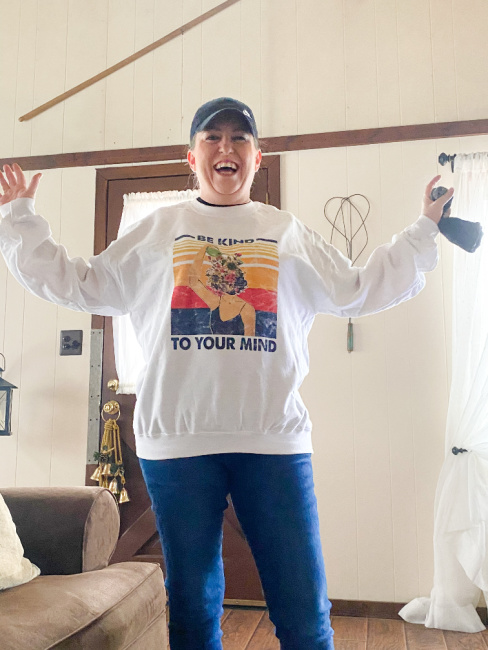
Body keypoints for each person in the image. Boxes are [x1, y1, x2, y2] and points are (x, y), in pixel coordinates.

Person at [0, 97, 453, 650]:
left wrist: (423, 231)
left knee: (305, 609)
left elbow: (356, 289)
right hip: (176, 443)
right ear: (192, 157)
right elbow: (81, 283)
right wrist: (20, 219)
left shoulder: (284, 231)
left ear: (257, 158)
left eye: (240, 137)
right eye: (212, 137)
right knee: (194, 608)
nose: (226, 146)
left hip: (273, 440)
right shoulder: (159, 229)